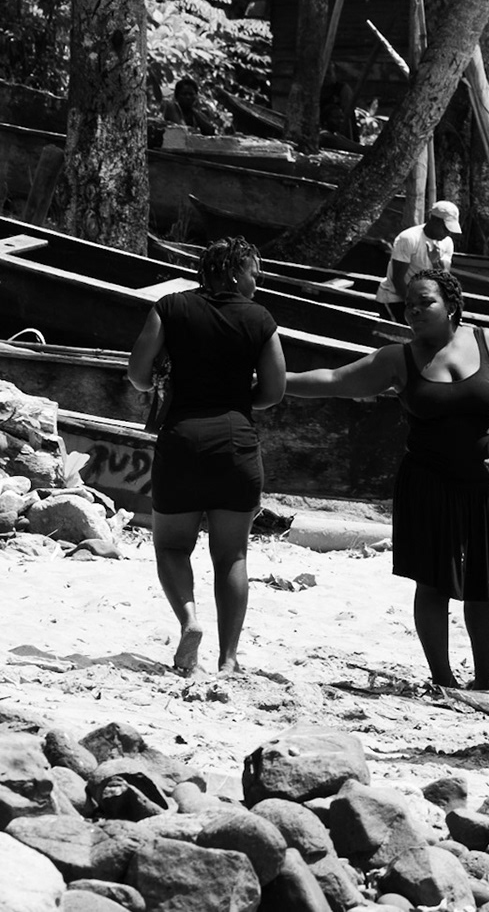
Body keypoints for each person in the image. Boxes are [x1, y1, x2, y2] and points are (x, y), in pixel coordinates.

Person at [284, 269, 489, 689]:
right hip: (428, 483)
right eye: (409, 304)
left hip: (486, 483)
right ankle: (443, 680)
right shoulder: (398, 359)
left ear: (452, 305)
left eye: (425, 301)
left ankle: (487, 680)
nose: (413, 311)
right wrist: (275, 383)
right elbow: (336, 381)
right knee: (432, 583)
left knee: (485, 584)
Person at [127, 238, 286, 676]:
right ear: (234, 271)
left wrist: (165, 383)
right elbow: (274, 391)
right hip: (236, 441)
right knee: (231, 556)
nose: (257, 283)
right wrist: (238, 400)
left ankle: (189, 620)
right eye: (254, 273)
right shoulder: (260, 319)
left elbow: (137, 375)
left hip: (181, 438)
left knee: (172, 546)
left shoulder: (170, 307)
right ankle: (229, 659)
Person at [376, 201, 460, 320]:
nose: (448, 233)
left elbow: (444, 278)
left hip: (421, 301)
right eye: (445, 228)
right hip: (394, 298)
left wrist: (435, 262)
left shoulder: (447, 242)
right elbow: (398, 279)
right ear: (434, 221)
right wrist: (415, 306)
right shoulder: (409, 238)